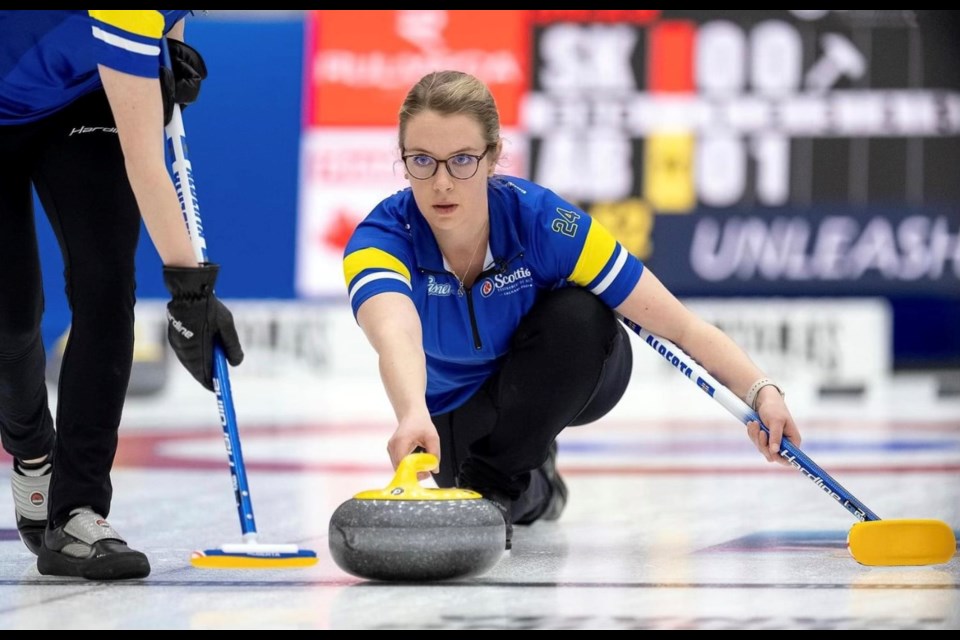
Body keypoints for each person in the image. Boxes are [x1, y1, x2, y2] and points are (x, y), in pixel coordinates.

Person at [343, 70, 803, 550]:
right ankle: (540, 479)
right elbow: (396, 331)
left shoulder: (545, 224)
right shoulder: (379, 241)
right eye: (422, 161)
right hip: (456, 407)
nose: (441, 183)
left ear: (494, 156)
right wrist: (412, 412)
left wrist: (761, 390)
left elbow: (681, 326)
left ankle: (506, 469)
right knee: (516, 502)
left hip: (562, 370)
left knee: (582, 313)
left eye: (461, 160)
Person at [1, 10, 244, 580]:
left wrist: (172, 50)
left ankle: (77, 513)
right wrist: (190, 290)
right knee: (11, 324)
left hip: (79, 102)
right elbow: (146, 165)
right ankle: (33, 450)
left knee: (107, 285)